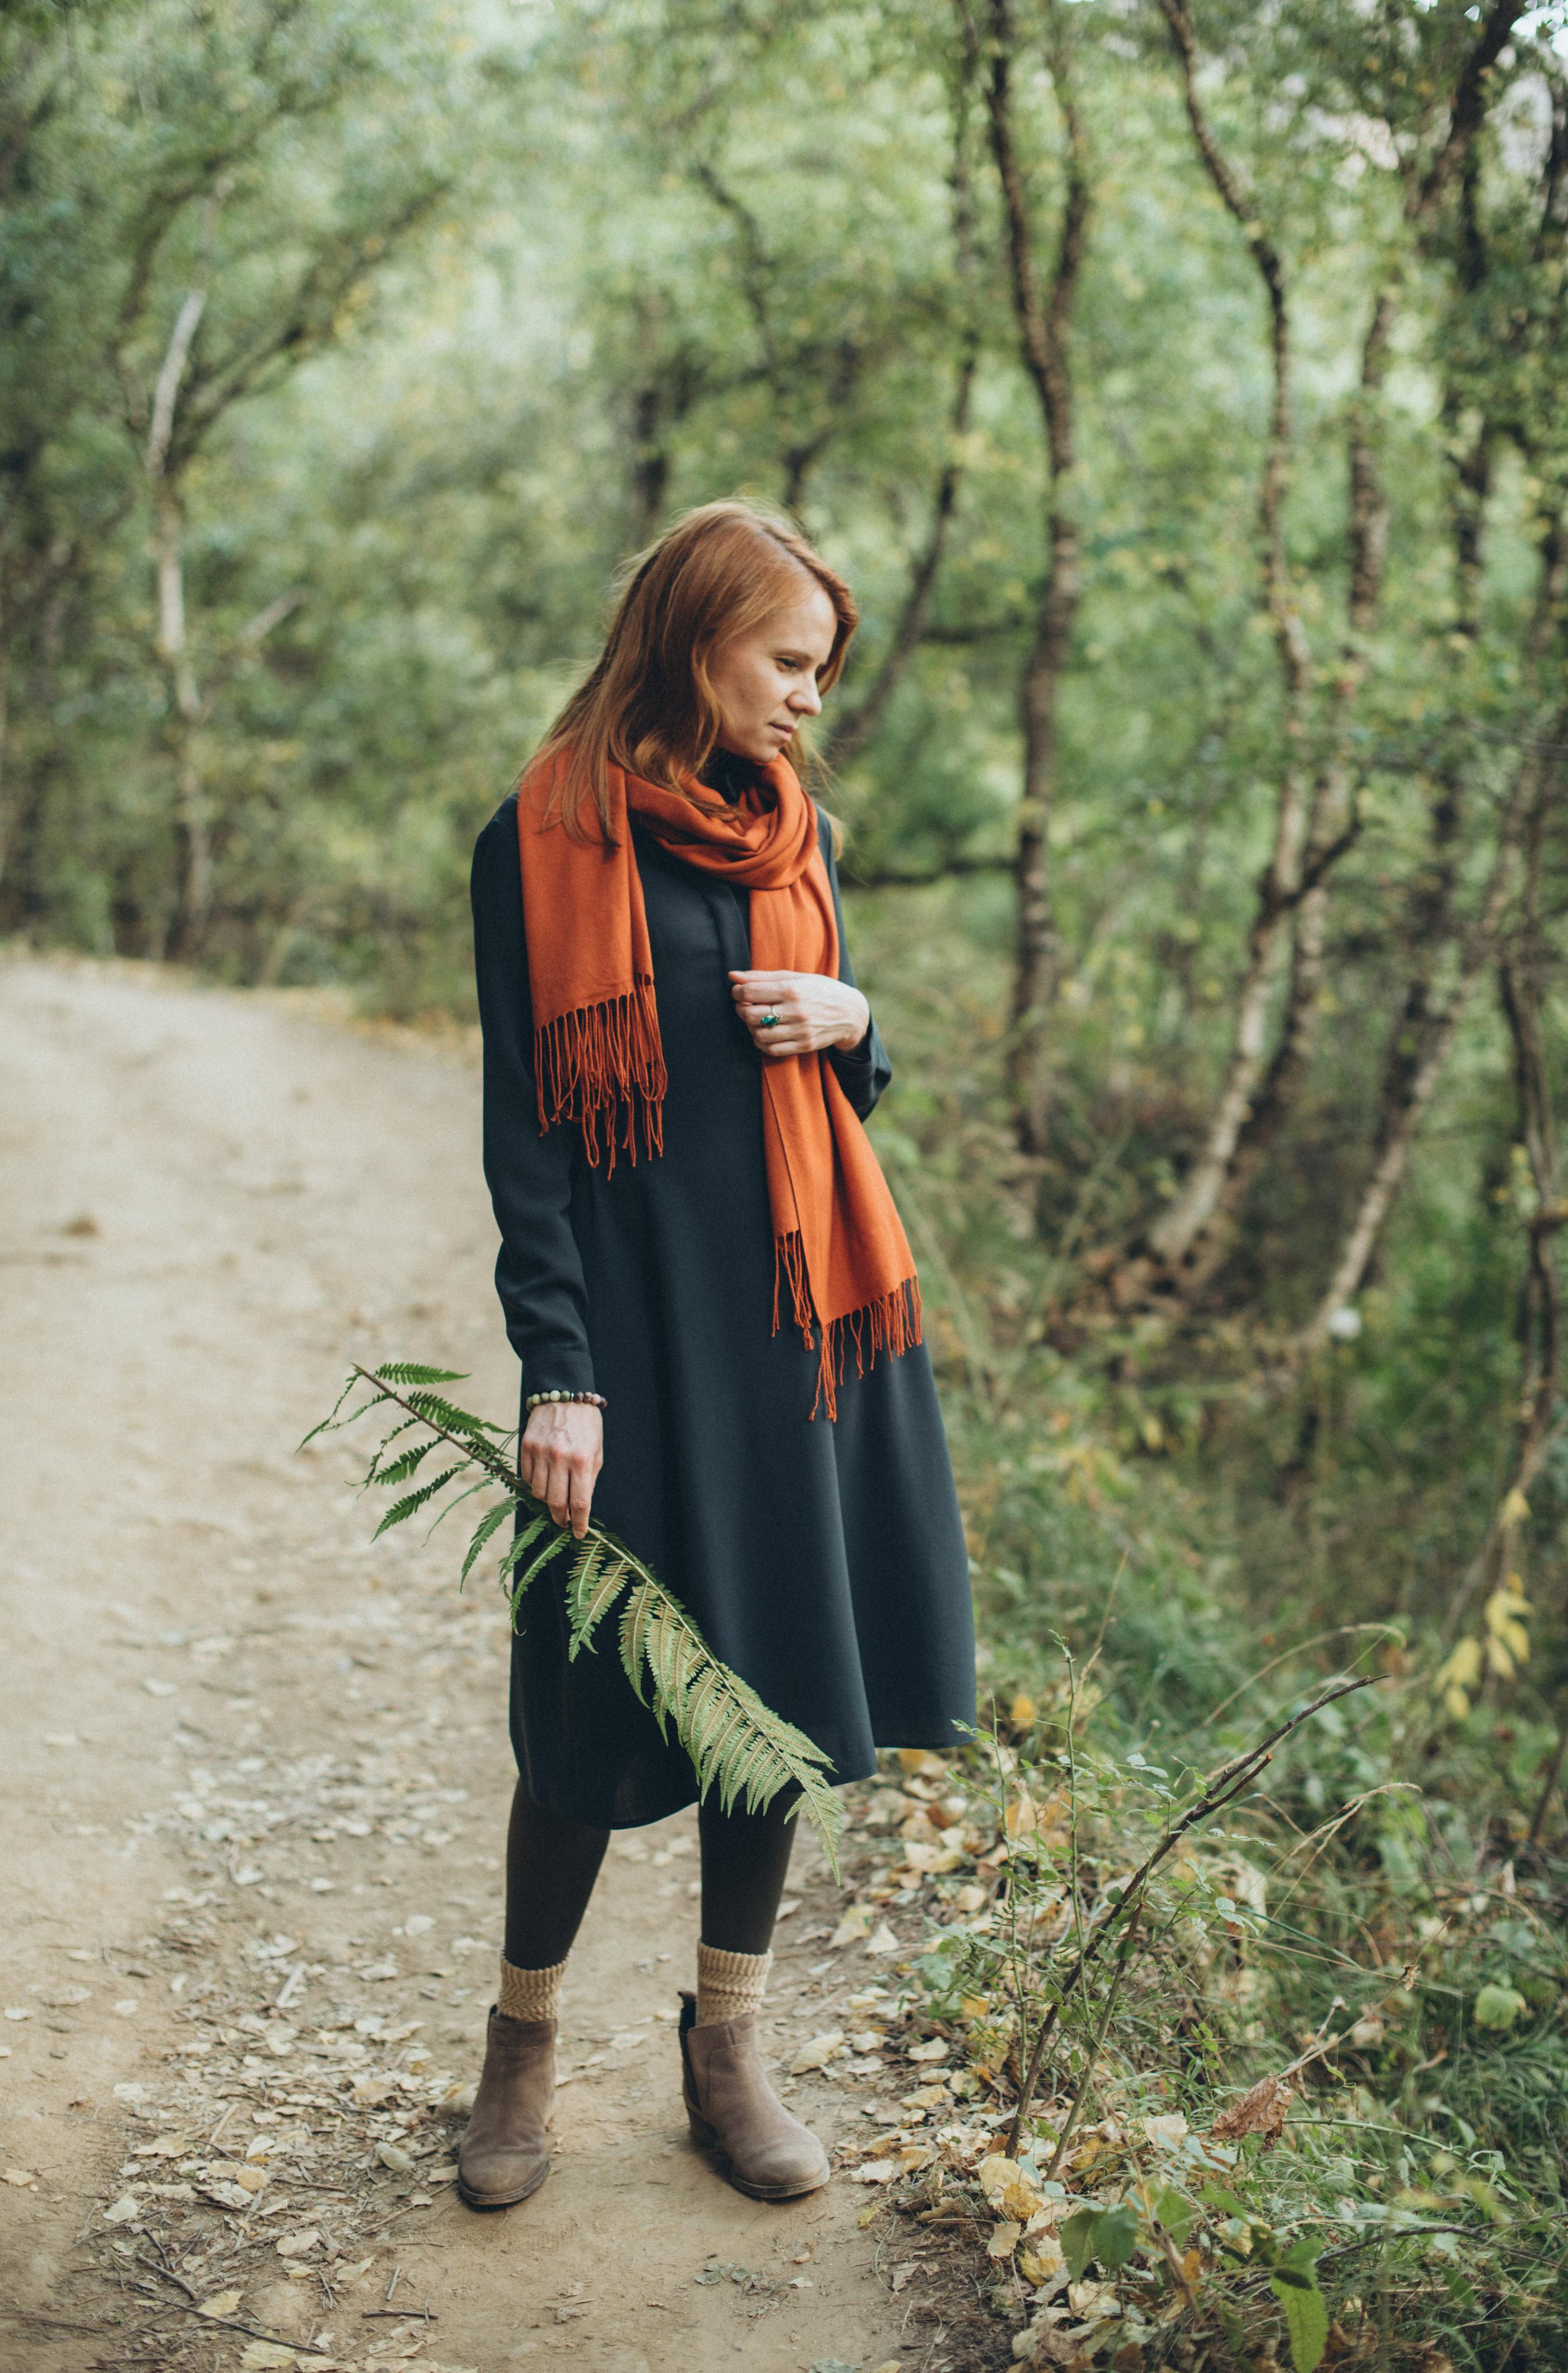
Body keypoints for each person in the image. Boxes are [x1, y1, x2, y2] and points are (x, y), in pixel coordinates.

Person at [459, 498, 975, 2212]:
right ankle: (521, 2043)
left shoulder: (790, 835)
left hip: (805, 1338)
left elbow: (839, 1079)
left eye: (823, 669)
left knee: (768, 1694)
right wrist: (561, 1369)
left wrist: (860, 1024)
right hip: (638, 1346)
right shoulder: (536, 841)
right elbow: (528, 1150)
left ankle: (726, 2047)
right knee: (586, 1704)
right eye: (790, 661)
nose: (812, 697)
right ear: (697, 640)